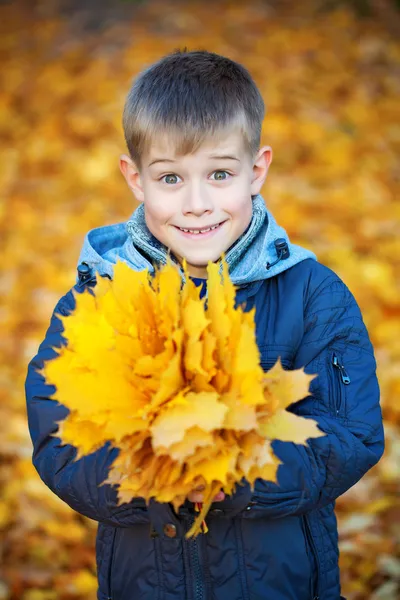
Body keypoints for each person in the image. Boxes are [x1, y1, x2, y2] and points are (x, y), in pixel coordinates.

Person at [25, 49, 384, 600]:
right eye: (170, 178)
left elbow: (350, 434)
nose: (197, 204)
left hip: (280, 583)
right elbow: (60, 441)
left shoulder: (312, 295)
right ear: (136, 178)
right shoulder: (97, 300)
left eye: (220, 174)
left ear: (257, 169)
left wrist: (232, 473)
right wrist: (152, 479)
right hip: (147, 583)